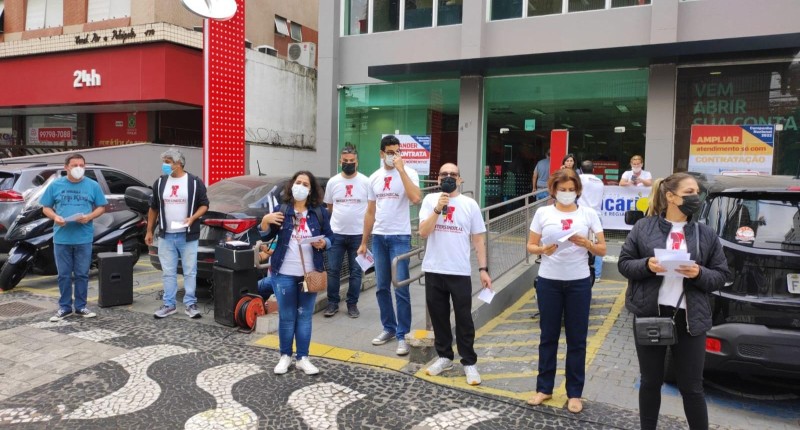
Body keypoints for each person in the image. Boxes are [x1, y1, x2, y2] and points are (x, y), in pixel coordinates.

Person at [618, 173, 729, 430]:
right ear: (670, 196)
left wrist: (699, 273)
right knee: (650, 381)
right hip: (651, 314)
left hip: (690, 318)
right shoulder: (644, 227)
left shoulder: (705, 233)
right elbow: (624, 263)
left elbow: (721, 275)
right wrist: (647, 265)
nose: (695, 197)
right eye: (689, 191)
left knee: (692, 387)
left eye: (696, 192)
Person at [526, 168, 606, 414]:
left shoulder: (589, 214)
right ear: (554, 190)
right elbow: (530, 245)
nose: (567, 194)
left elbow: (602, 249)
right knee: (548, 336)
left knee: (577, 339)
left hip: (579, 283)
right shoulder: (543, 212)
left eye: (572, 190)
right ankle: (544, 388)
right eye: (563, 190)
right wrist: (543, 250)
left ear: (578, 191)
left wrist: (588, 244)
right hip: (549, 281)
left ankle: (574, 393)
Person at [419, 163, 492, 386]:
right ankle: (444, 356)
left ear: (460, 179)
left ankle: (468, 361)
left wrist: (483, 269)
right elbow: (423, 232)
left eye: (453, 174)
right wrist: (437, 209)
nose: (448, 177)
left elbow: (478, 238)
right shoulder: (430, 201)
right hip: (434, 268)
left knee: (463, 318)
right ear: (438, 178)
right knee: (438, 317)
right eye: (444, 174)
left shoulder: (469, 204)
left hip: (459, 270)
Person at [260, 171, 333, 375]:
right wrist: (265, 220)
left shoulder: (319, 212)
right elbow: (265, 234)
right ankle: (285, 356)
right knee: (287, 316)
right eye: (298, 182)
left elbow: (330, 237)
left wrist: (323, 242)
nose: (300, 186)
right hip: (283, 273)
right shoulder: (281, 210)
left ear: (311, 190)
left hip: (310, 273)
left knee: (304, 316)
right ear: (292, 185)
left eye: (305, 184)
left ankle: (303, 357)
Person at [358, 135, 422, 356]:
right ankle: (389, 328)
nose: (393, 155)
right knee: (382, 286)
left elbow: (416, 198)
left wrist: (401, 170)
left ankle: (403, 334)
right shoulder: (374, 178)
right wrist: (364, 241)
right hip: (379, 237)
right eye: (389, 152)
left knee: (401, 286)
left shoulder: (409, 172)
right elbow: (370, 211)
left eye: (397, 151)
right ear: (381, 153)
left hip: (400, 237)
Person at [42, 154, 107, 322]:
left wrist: (89, 216)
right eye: (75, 165)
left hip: (83, 237)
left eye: (82, 165)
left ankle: (80, 307)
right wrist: (55, 217)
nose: (79, 168)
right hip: (62, 237)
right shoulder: (55, 185)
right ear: (66, 168)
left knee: (81, 274)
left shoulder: (92, 185)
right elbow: (46, 208)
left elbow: (101, 207)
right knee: (63, 275)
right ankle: (64, 307)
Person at [146, 149, 209, 319]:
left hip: (188, 235)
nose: (165, 165)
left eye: (168, 161)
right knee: (168, 271)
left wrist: (193, 217)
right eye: (164, 161)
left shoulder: (194, 182)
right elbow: (153, 208)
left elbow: (204, 204)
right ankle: (169, 304)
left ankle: (190, 304)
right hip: (166, 235)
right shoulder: (160, 183)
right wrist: (149, 230)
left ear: (179, 163)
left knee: (190, 271)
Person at [323, 146, 370, 318]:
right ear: (340, 162)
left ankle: (352, 304)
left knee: (356, 271)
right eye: (345, 161)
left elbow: (371, 209)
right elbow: (329, 207)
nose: (348, 164)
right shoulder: (333, 182)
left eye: (352, 161)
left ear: (357, 162)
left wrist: (366, 236)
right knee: (333, 270)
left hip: (358, 235)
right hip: (336, 234)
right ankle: (332, 303)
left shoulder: (366, 182)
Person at [578, 160, 605, 282]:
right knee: (598, 245)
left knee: (579, 243)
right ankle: (597, 274)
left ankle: (581, 270)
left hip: (582, 215)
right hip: (597, 216)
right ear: (593, 170)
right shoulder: (599, 181)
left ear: (581, 169)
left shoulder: (580, 178)